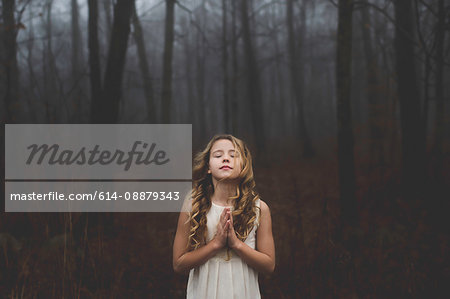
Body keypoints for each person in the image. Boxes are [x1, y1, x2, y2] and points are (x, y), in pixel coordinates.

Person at [173, 134, 275, 299]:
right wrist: (216, 244)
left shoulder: (259, 209)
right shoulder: (192, 206)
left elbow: (269, 265)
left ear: (243, 165)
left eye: (233, 155)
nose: (226, 159)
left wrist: (236, 244)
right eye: (218, 155)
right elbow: (178, 264)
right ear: (208, 167)